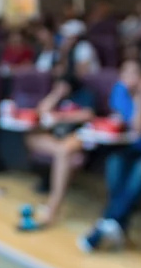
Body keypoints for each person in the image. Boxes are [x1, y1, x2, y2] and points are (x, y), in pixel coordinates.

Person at [78, 59, 141, 252]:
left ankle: (106, 224)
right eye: (124, 72)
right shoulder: (119, 90)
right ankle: (116, 224)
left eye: (134, 72)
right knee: (114, 162)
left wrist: (140, 97)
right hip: (131, 146)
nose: (127, 77)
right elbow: (120, 121)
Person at [22, 70, 97, 227]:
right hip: (54, 138)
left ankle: (53, 207)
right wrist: (56, 94)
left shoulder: (85, 95)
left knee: (64, 151)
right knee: (32, 138)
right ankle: (61, 155)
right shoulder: (58, 97)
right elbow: (40, 111)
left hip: (75, 136)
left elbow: (88, 114)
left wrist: (60, 117)